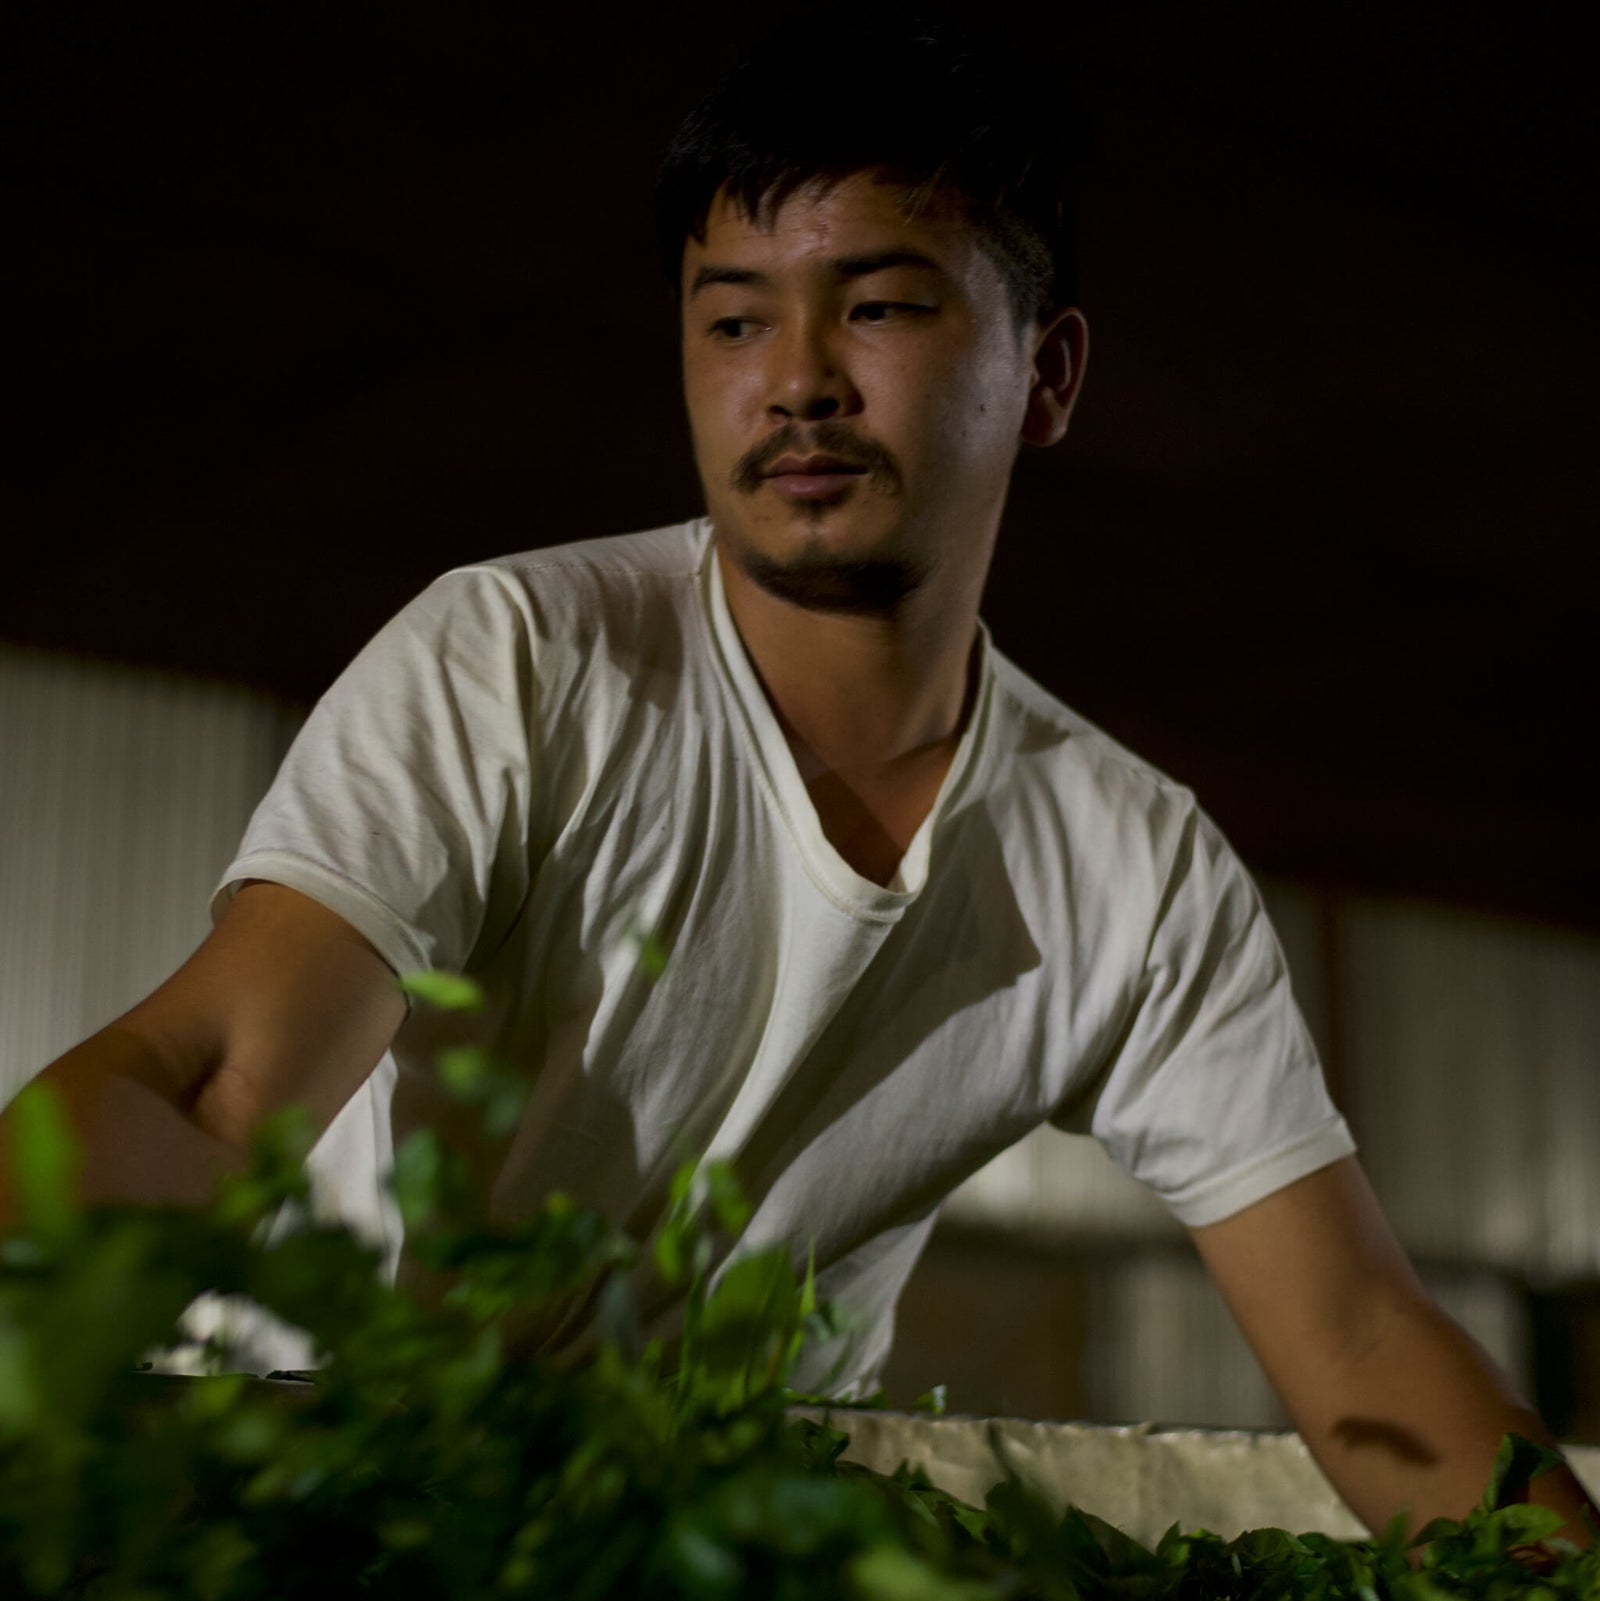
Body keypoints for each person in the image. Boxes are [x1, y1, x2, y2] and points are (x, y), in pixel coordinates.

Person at [2, 1, 1592, 1548]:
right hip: (350, 1480)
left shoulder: (1133, 862)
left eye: (883, 305)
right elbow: (215, 1085)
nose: (799, 377)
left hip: (732, 1528)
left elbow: (1366, 1336)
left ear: (1048, 375)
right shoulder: (520, 658)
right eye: (735, 316)